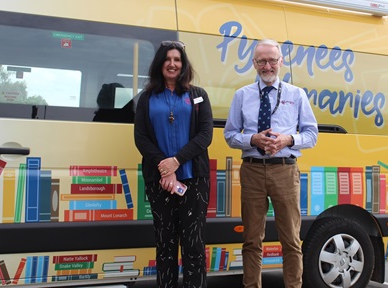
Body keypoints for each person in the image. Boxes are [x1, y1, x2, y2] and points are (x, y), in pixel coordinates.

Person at [224, 39, 318, 288]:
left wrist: (288, 139)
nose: (267, 66)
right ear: (254, 63)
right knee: (252, 240)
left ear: (281, 62)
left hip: (285, 170)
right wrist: (252, 139)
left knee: (291, 240)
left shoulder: (296, 95)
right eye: (262, 61)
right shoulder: (242, 95)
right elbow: (230, 135)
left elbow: (312, 135)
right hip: (252, 170)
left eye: (272, 60)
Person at [134, 40, 213, 288]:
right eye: (167, 59)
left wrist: (176, 161)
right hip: (160, 182)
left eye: (177, 60)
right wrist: (164, 168)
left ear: (183, 64)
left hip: (194, 180)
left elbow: (205, 135)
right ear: (160, 64)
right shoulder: (147, 98)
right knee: (165, 245)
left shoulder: (198, 96)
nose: (172, 64)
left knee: (194, 246)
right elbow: (141, 137)